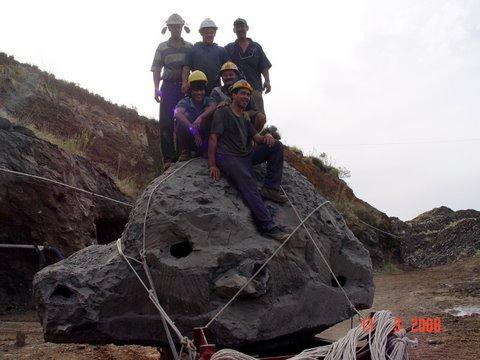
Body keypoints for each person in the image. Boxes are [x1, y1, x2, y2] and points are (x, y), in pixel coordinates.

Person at [208, 80, 288, 240]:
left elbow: (256, 137)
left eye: (248, 94)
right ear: (233, 95)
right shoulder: (222, 112)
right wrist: (212, 165)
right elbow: (213, 138)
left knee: (276, 146)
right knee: (248, 182)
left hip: (245, 155)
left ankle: (270, 189)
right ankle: (268, 226)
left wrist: (268, 136)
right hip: (229, 157)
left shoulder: (244, 117)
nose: (246, 97)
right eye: (242, 93)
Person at [151, 13, 192, 168]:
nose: (176, 29)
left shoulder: (189, 47)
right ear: (168, 28)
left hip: (184, 87)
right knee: (166, 121)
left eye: (178, 26)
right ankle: (168, 158)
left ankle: (184, 152)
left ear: (182, 27)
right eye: (173, 26)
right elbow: (156, 69)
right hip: (167, 86)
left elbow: (192, 67)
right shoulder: (162, 47)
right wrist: (156, 89)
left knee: (184, 118)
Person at [225, 18, 272, 114]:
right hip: (235, 91)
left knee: (259, 116)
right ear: (234, 30)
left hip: (254, 88)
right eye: (237, 27)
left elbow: (264, 66)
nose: (240, 29)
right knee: (236, 115)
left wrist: (267, 81)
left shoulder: (256, 47)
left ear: (247, 28)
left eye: (242, 26)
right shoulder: (228, 48)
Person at [211, 61, 266, 132]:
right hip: (224, 121)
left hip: (243, 122)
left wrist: (247, 113)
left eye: (231, 74)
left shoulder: (245, 89)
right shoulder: (216, 91)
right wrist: (219, 105)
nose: (228, 77)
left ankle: (252, 139)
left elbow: (255, 110)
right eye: (225, 75)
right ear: (221, 77)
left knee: (261, 117)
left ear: (237, 76)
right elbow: (211, 107)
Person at [174, 71, 216, 161]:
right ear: (190, 91)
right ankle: (186, 150)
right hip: (191, 136)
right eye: (196, 90)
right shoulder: (186, 101)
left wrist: (201, 117)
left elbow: (213, 106)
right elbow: (177, 113)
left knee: (210, 115)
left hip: (204, 137)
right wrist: (191, 128)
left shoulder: (208, 100)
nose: (199, 93)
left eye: (201, 90)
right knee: (181, 118)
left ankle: (206, 149)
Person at [181, 18, 228, 95]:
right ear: (201, 33)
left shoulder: (221, 51)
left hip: (216, 88)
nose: (209, 35)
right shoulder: (193, 50)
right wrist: (184, 83)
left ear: (215, 34)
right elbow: (186, 67)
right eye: (206, 33)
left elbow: (227, 70)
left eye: (211, 32)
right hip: (196, 88)